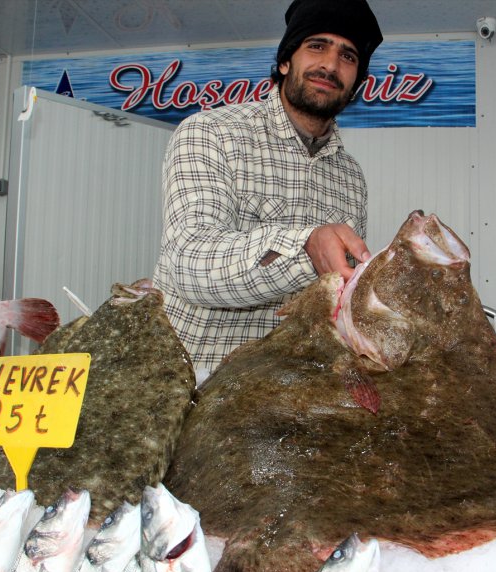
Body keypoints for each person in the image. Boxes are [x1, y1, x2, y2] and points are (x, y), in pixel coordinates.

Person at [153, 0, 383, 371]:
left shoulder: (351, 176)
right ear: (285, 61)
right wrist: (306, 247)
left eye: (349, 56)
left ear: (357, 82)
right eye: (317, 45)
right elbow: (190, 264)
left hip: (285, 394)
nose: (330, 65)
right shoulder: (210, 132)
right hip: (190, 384)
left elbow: (339, 300)